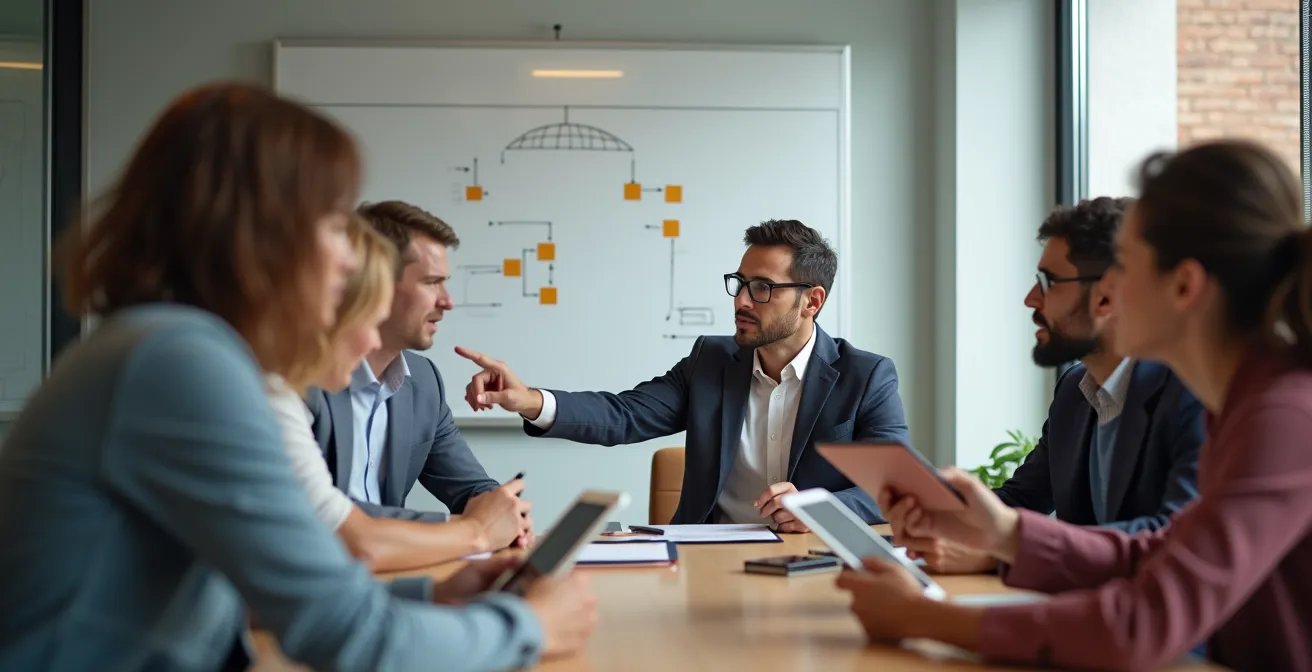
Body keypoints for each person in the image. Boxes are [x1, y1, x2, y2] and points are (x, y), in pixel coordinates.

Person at [0, 82, 594, 671]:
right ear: (262, 233)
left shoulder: (168, 347)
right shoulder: (181, 363)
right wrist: (530, 627)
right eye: (334, 225)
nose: (348, 258)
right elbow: (346, 638)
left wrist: (432, 595)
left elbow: (245, 595)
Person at [840, 140, 1312, 672]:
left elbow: (1139, 624)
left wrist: (920, 618)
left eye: (1126, 267)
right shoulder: (1241, 404)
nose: (1109, 292)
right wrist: (1006, 533)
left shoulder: (1285, 416)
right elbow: (1158, 553)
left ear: (1184, 285)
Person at [459, 219, 911, 529]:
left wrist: (821, 510)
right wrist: (530, 400)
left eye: (762, 288)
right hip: (706, 557)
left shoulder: (865, 376)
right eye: (740, 283)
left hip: (810, 561)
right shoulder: (710, 360)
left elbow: (893, 490)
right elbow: (625, 414)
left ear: (812, 301)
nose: (741, 302)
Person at [906, 198, 1205, 574]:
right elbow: (1022, 499)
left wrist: (1002, 553)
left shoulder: (1191, 396)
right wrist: (935, 510)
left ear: (1107, 297)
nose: (1031, 299)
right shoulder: (1074, 391)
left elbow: (1172, 538)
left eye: (1048, 281)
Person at [266, 216, 531, 571]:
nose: (448, 302)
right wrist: (473, 529)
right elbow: (332, 519)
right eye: (432, 282)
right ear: (375, 286)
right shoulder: (296, 379)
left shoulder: (423, 381)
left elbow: (468, 486)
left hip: (382, 579)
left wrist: (504, 512)